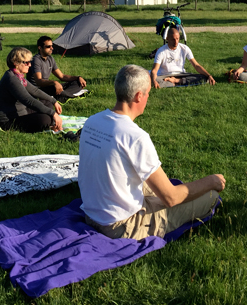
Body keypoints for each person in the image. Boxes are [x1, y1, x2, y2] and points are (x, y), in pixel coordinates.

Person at [79, 65, 226, 240]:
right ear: (139, 96)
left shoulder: (92, 121)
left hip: (92, 216)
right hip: (122, 226)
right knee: (211, 196)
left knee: (150, 186)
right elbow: (170, 198)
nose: (148, 97)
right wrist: (211, 181)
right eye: (148, 93)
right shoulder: (134, 136)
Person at [0, 46, 63, 133]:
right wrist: (53, 113)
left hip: (21, 111)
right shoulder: (11, 79)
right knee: (45, 119)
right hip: (7, 120)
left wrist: (53, 100)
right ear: (16, 63)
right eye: (26, 62)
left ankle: (50, 122)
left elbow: (35, 91)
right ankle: (49, 123)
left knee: (47, 102)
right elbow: (28, 100)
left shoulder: (19, 76)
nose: (30, 65)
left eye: (30, 62)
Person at [151, 27, 216, 88]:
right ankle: (175, 82)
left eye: (177, 39)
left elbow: (196, 65)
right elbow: (154, 70)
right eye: (173, 39)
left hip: (180, 75)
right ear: (167, 38)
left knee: (204, 78)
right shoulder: (161, 51)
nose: (176, 42)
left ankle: (176, 82)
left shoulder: (184, 48)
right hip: (165, 75)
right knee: (151, 80)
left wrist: (209, 75)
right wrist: (154, 80)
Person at [28, 35, 87, 100]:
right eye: (48, 46)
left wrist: (78, 78)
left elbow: (62, 76)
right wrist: (54, 82)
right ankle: (66, 94)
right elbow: (39, 82)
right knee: (54, 87)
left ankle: (63, 94)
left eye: (52, 46)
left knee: (78, 83)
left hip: (47, 86)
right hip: (38, 89)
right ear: (40, 48)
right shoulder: (36, 60)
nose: (52, 48)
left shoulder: (50, 59)